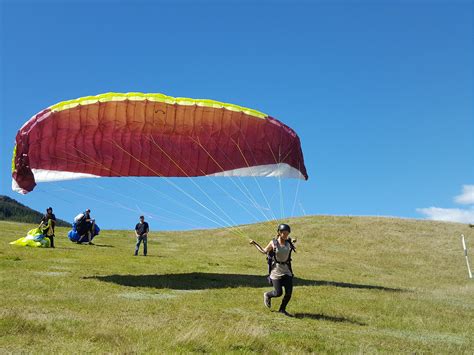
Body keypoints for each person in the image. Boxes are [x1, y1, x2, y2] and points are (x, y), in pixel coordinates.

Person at [250, 223, 296, 316]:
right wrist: (255, 243)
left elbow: (291, 244)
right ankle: (267, 295)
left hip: (286, 270)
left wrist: (294, 241)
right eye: (284, 233)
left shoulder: (288, 242)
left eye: (287, 233)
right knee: (278, 293)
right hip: (276, 271)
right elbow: (264, 251)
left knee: (289, 293)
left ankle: (282, 310)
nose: (286, 235)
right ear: (279, 232)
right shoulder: (273, 243)